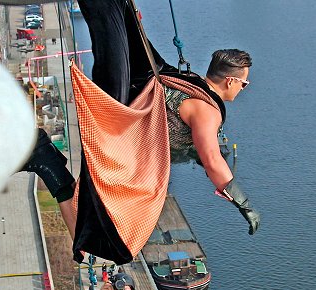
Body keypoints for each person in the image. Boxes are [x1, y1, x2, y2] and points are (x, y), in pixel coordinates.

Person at [23, 0, 259, 243]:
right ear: (230, 81)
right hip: (121, 128)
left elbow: (200, 150)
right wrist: (245, 205)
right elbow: (212, 161)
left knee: (96, 228)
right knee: (104, 239)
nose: (243, 88)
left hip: (125, 116)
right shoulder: (208, 111)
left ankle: (45, 159)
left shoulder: (192, 82)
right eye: (244, 83)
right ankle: (44, 158)